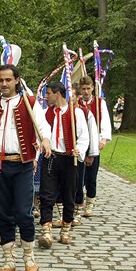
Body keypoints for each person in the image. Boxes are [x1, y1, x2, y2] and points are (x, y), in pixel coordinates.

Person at [0, 64, 52, 271]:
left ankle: (29, 257)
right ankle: (9, 259)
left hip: (23, 164)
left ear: (17, 80)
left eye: (8, 80)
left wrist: (45, 139)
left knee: (23, 213)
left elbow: (43, 126)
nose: (4, 84)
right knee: (4, 214)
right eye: (1, 80)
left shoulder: (29, 103)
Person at [37, 82, 92, 248]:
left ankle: (65, 230)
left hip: (69, 159)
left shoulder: (76, 113)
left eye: (48, 94)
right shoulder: (46, 113)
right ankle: (46, 230)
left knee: (69, 194)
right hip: (51, 157)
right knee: (46, 193)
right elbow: (39, 132)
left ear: (58, 94)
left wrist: (79, 150)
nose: (46, 97)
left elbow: (84, 136)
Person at [77, 76, 112, 218]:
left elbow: (105, 120)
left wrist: (103, 138)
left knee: (91, 177)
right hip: (79, 143)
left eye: (88, 88)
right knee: (79, 176)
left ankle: (90, 203)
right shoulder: (76, 103)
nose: (86, 91)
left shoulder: (99, 103)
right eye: (83, 89)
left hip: (93, 142)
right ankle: (78, 202)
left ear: (92, 88)